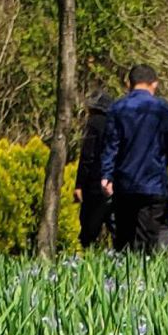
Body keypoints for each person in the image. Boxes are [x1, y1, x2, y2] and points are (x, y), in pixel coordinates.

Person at [99, 64, 168, 254]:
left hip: (124, 186)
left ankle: (125, 272)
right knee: (149, 244)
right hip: (154, 185)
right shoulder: (162, 109)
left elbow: (110, 146)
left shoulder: (117, 108)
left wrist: (106, 176)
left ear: (129, 84)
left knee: (124, 243)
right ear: (154, 84)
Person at [75, 92, 115, 247]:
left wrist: (79, 184)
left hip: (95, 183)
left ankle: (87, 255)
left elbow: (87, 156)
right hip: (115, 183)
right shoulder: (117, 124)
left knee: (88, 230)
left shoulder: (94, 124)